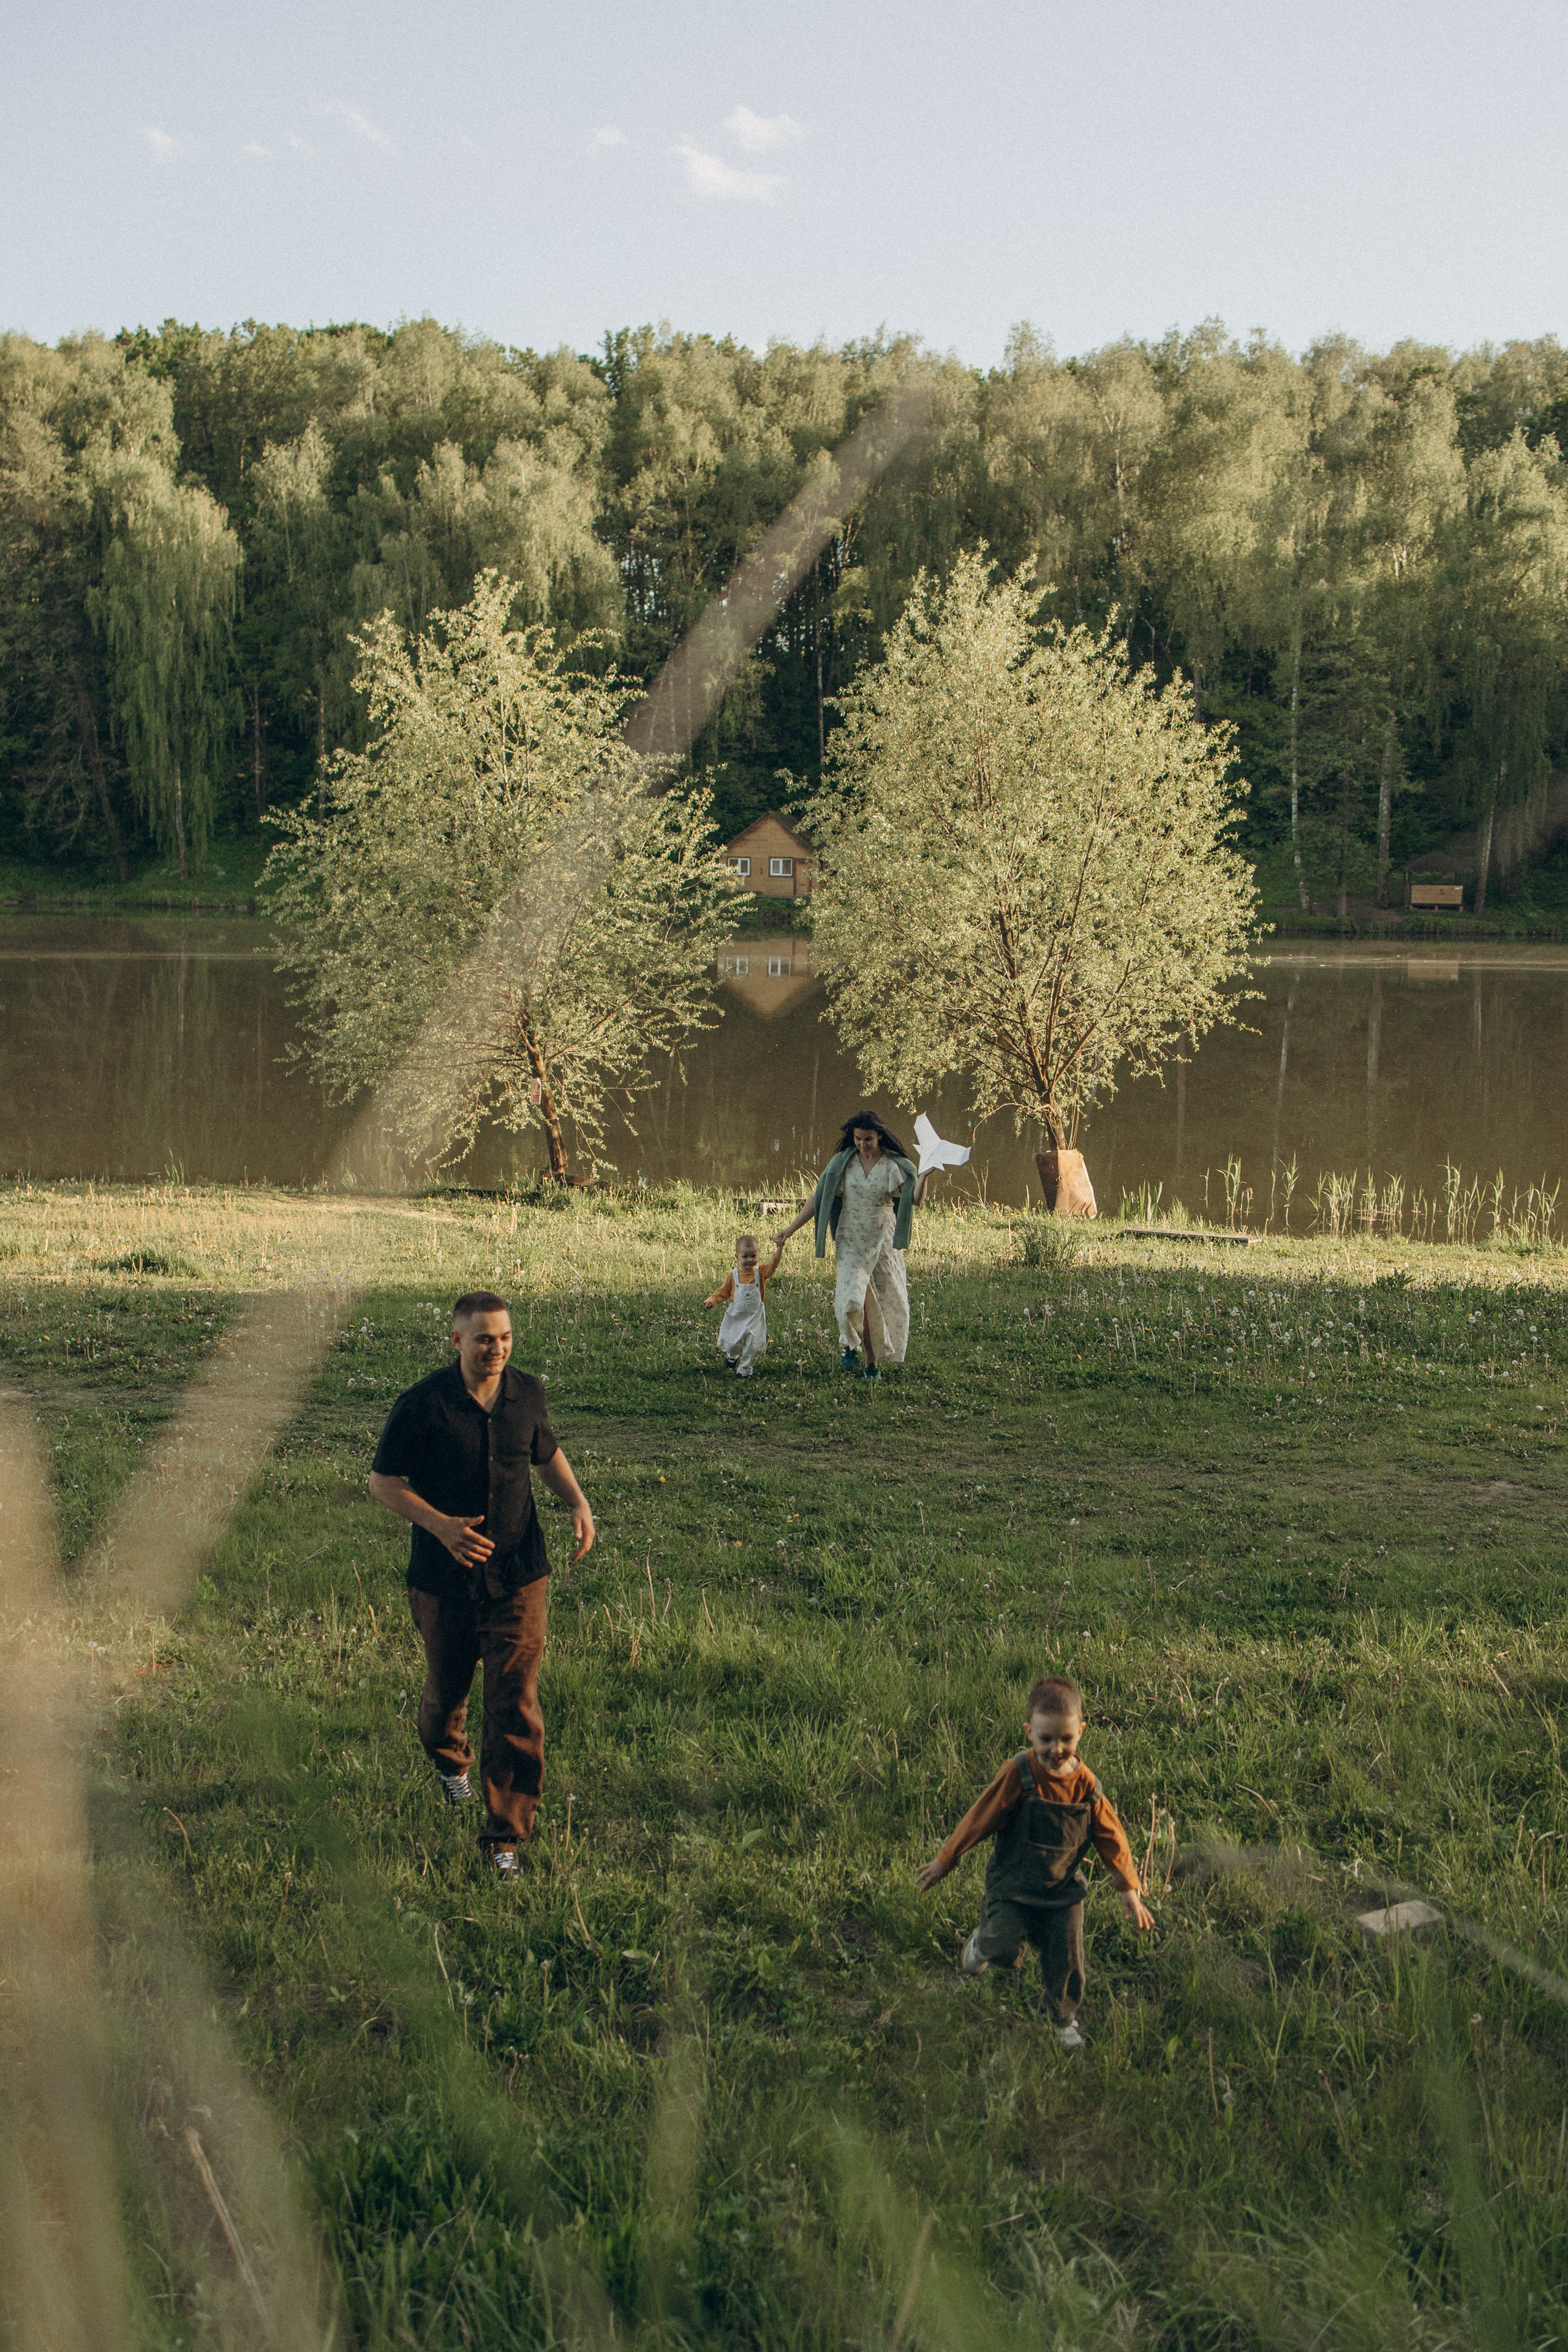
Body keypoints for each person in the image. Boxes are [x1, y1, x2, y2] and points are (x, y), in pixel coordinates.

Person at [369, 1290, 594, 1877]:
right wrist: (441, 1525)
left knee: (514, 1701)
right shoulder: (422, 1404)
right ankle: (451, 1764)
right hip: (443, 1580)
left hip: (519, 1574)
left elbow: (544, 1453)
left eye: (506, 1337)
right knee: (446, 1694)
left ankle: (505, 1837)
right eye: (484, 1339)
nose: (497, 1349)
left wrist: (576, 1500)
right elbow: (384, 1483)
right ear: (457, 1341)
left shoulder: (527, 1394)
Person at [916, 1675, 1154, 2048]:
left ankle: (1061, 2019)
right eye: (1046, 1739)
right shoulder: (1019, 1775)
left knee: (1068, 1961)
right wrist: (946, 1860)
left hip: (1061, 1892)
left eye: (1066, 1739)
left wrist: (1129, 1889)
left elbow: (1112, 1837)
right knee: (1004, 1945)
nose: (1056, 1749)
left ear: (1081, 1732)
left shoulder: (1087, 1787)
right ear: (1029, 1732)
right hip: (1012, 1886)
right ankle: (981, 1946)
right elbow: (981, 1816)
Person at [772, 1110, 930, 1378]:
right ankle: (849, 1340)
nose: (862, 1144)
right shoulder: (843, 1164)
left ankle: (871, 1363)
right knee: (851, 1300)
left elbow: (914, 1199)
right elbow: (819, 1198)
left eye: (868, 1139)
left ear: (879, 1135)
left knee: (877, 1302)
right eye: (858, 1139)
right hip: (851, 1238)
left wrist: (925, 1176)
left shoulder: (893, 1165)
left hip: (883, 1239)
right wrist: (789, 1230)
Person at [703, 1231, 782, 1376]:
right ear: (737, 1257)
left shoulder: (761, 1273)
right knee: (733, 1343)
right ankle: (732, 1356)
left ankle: (745, 1370)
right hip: (737, 1316)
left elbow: (774, 1265)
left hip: (755, 1317)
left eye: (753, 1256)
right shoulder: (734, 1276)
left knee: (753, 1344)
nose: (750, 1260)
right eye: (745, 1256)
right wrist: (711, 1301)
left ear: (758, 1255)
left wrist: (779, 1248)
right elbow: (723, 1292)